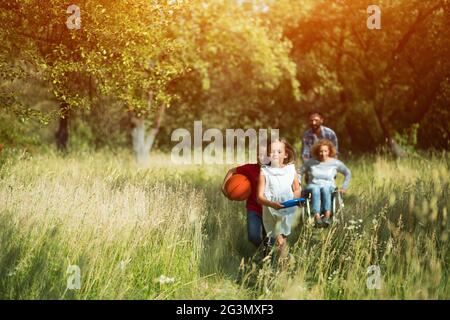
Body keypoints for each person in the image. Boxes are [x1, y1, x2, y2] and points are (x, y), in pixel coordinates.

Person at [257, 138, 301, 254]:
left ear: (286, 154)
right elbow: (259, 197)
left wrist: (294, 200)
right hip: (271, 209)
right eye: (272, 151)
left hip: (287, 208)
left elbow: (297, 189)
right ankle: (284, 266)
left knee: (282, 240)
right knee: (280, 241)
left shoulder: (290, 170)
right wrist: (272, 204)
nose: (275, 154)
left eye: (279, 152)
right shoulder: (265, 171)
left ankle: (283, 267)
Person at [221, 148, 268, 248]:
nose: (261, 157)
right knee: (253, 236)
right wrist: (224, 186)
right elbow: (231, 171)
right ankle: (262, 250)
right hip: (254, 208)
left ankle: (267, 256)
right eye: (259, 154)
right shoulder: (249, 168)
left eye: (264, 154)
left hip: (269, 209)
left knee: (268, 238)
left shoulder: (274, 170)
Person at [299, 139, 351, 228]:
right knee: (315, 189)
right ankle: (317, 217)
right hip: (313, 185)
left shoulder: (335, 163)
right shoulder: (311, 162)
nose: (323, 153)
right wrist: (298, 186)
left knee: (326, 188)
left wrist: (344, 186)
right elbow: (299, 172)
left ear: (329, 151)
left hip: (329, 185)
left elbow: (347, 173)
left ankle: (327, 216)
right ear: (317, 152)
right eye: (321, 151)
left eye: (325, 151)